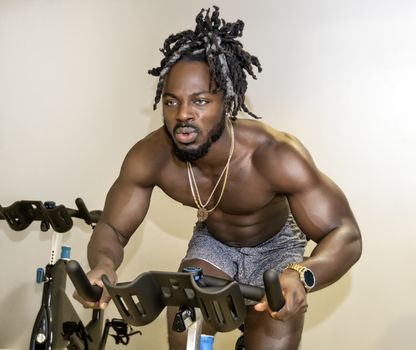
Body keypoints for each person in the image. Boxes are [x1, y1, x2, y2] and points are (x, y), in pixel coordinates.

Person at [75, 6, 362, 350]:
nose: (183, 114)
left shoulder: (273, 155)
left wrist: (302, 274)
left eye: (200, 101)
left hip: (277, 250)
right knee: (183, 316)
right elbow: (112, 228)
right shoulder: (150, 156)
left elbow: (345, 234)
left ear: (226, 102)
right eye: (172, 101)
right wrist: (103, 267)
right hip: (213, 244)